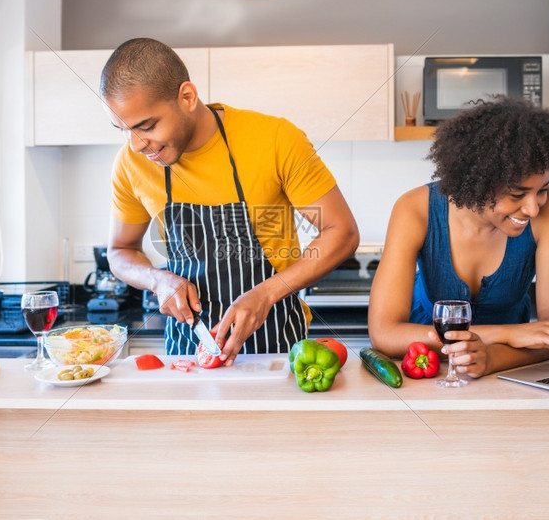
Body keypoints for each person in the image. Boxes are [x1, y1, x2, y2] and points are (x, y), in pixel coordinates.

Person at [101, 38, 359, 364]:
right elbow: (120, 251)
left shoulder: (275, 138)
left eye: (146, 126)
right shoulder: (130, 163)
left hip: (276, 346)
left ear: (187, 97)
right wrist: (157, 280)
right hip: (189, 350)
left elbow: (342, 231)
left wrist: (266, 293)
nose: (136, 144)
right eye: (122, 130)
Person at [368, 96, 549, 378]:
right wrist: (509, 334)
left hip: (511, 370)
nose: (533, 208)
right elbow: (385, 334)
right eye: (517, 194)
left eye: (542, 189)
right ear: (476, 184)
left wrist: (491, 359)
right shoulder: (414, 208)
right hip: (424, 369)